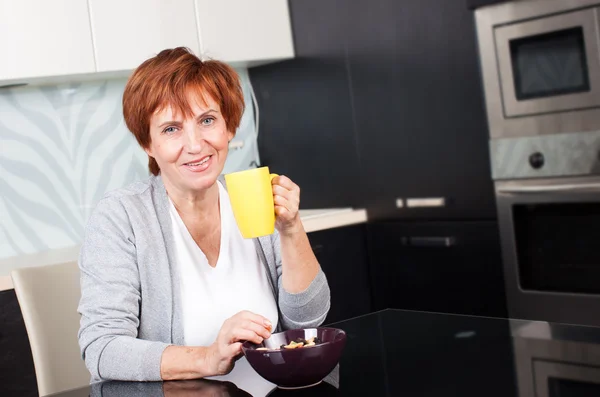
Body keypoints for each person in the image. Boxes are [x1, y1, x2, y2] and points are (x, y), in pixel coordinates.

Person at [77, 47, 330, 382]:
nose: (195, 145)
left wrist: (291, 228)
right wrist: (209, 358)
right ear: (147, 144)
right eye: (171, 129)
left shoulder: (252, 196)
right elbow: (102, 349)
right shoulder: (121, 216)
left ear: (228, 127)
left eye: (207, 120)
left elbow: (307, 323)